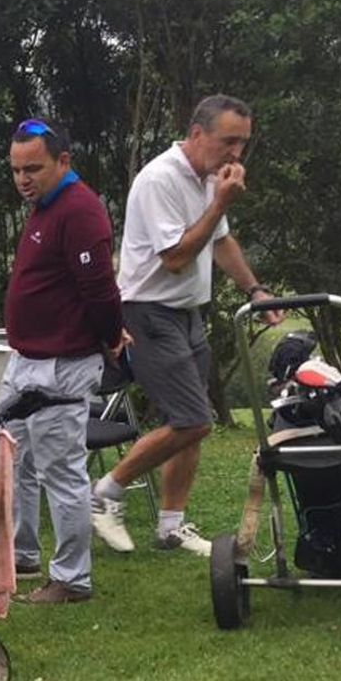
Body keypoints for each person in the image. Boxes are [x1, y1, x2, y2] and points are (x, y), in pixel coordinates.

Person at [91, 94, 281, 556]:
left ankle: (170, 524)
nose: (236, 153)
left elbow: (220, 242)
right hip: (148, 311)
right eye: (228, 141)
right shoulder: (160, 179)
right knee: (193, 420)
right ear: (197, 134)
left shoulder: (206, 179)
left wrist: (255, 290)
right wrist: (219, 202)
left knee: (188, 421)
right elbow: (175, 258)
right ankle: (103, 494)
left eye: (243, 143)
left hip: (187, 313)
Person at [0, 119, 125, 604]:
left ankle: (71, 578)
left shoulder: (79, 210)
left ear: (63, 161)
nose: (23, 179)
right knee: (16, 461)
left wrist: (111, 337)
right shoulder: (43, 206)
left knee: (61, 471)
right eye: (16, 170)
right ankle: (21, 555)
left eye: (33, 169)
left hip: (61, 365)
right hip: (27, 358)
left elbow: (101, 291)